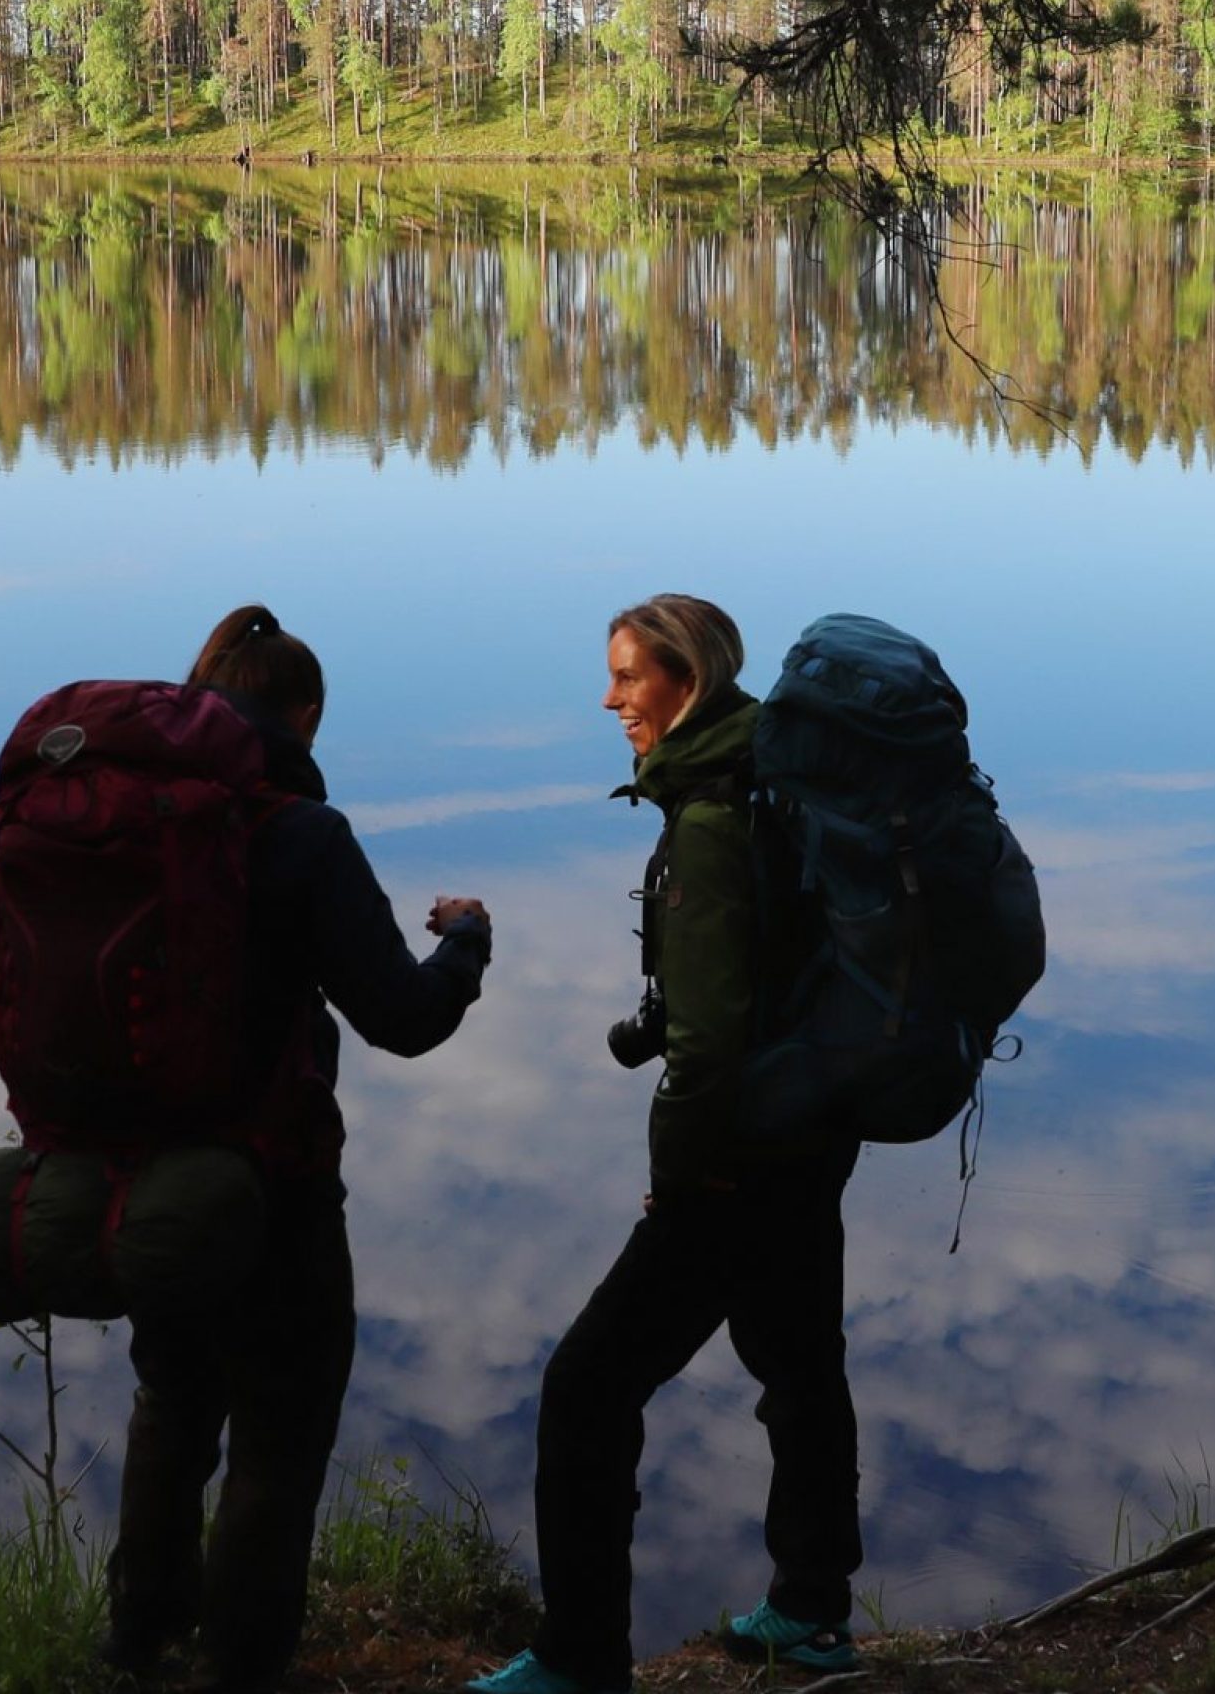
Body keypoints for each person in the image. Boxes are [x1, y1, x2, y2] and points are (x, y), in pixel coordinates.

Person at [469, 594, 862, 1694]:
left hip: (737, 1155)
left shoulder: (711, 820)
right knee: (798, 1365)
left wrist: (674, 1183)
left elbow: (706, 1042)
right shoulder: (773, 780)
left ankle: (582, 1653)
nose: (610, 699)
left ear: (684, 680)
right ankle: (812, 1610)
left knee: (586, 1387)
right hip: (812, 1128)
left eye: (628, 678)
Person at [106, 603, 495, 1694]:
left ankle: (138, 1642)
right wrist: (465, 944)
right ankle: (242, 1668)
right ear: (306, 715)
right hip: (273, 1183)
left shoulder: (126, 815)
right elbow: (405, 1017)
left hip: (141, 1173)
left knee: (172, 1401)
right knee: (279, 1428)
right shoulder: (302, 834)